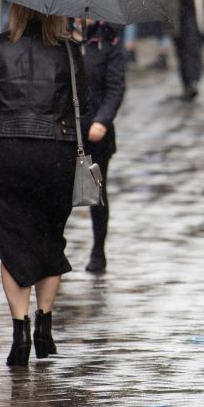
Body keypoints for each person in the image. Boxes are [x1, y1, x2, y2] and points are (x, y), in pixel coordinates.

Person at [0, 3, 89, 366]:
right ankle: (44, 325)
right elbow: (85, 108)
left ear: (15, 10)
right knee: (49, 238)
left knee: (12, 241)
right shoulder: (68, 50)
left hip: (1, 154)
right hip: (55, 155)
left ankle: (19, 331)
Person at [74, 19, 126, 273]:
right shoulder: (60, 39)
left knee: (96, 193)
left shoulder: (109, 41)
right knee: (57, 194)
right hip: (63, 131)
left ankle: (98, 250)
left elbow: (116, 86)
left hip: (96, 132)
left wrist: (102, 120)